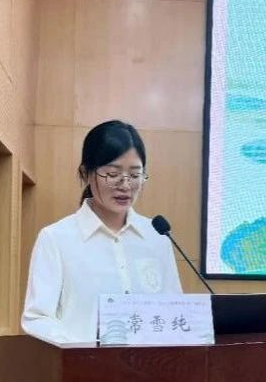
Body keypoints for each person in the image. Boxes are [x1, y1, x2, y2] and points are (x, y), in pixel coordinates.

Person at [21, 120, 182, 343]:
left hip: (151, 364)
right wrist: (83, 351)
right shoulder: (56, 239)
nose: (125, 185)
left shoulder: (157, 236)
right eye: (113, 174)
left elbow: (174, 309)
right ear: (86, 173)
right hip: (83, 364)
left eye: (135, 175)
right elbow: (37, 318)